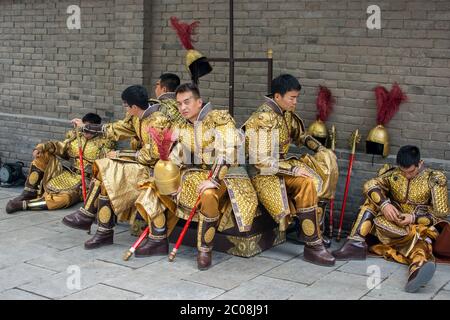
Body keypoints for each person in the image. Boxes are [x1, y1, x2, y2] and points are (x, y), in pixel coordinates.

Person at [134, 83, 258, 270]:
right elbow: (176, 156)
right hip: (193, 174)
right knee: (153, 185)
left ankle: (205, 249)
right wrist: (168, 172)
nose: (183, 107)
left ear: (199, 102)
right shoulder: (181, 126)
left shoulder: (219, 119)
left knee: (208, 194)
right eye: (179, 104)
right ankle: (158, 238)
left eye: (187, 102)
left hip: (226, 175)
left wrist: (213, 179)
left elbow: (228, 150)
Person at [62, 75, 183, 249]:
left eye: (126, 105)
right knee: (105, 172)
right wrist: (85, 127)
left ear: (133, 106)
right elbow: (116, 129)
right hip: (141, 164)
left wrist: (121, 153)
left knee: (107, 168)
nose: (124, 108)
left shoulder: (157, 121)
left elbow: (152, 154)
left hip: (157, 169)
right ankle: (99, 228)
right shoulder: (136, 117)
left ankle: (90, 217)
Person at [242, 74, 339, 266]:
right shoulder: (263, 119)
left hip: (282, 167)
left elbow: (300, 136)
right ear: (278, 96)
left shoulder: (285, 114)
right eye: (292, 98)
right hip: (264, 174)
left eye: (296, 97)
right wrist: (293, 171)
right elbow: (260, 160)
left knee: (321, 172)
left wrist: (320, 149)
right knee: (306, 182)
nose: (295, 102)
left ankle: (311, 231)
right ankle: (313, 245)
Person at [333, 145, 450, 292]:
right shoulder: (392, 175)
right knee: (371, 201)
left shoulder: (434, 179)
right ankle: (354, 245)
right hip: (392, 224)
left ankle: (417, 269)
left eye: (411, 171)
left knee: (421, 244)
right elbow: (369, 185)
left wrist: (413, 217)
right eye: (403, 171)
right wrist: (384, 205)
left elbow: (441, 214)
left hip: (419, 227)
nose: (406, 175)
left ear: (420, 163)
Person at [6, 113, 115, 214]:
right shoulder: (76, 137)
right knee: (42, 155)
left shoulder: (103, 143)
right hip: (68, 173)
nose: (85, 131)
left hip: (84, 182)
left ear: (96, 128)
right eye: (84, 128)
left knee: (64, 199)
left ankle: (24, 205)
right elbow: (59, 147)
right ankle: (29, 192)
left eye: (88, 129)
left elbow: (105, 166)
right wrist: (41, 147)